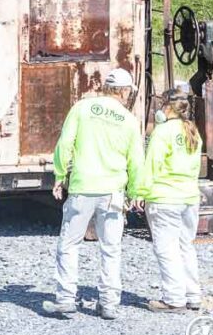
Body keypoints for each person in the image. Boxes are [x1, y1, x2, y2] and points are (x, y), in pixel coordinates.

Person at [43, 67, 144, 320]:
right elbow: (136, 162)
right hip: (113, 192)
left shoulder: (82, 108)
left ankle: (66, 299)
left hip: (82, 187)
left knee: (69, 243)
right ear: (124, 91)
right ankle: (108, 303)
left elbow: (65, 143)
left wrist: (59, 175)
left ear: (106, 88)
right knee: (111, 248)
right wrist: (135, 192)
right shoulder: (130, 121)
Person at [138, 90, 203, 313]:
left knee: (166, 249)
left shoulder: (162, 132)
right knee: (186, 246)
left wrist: (141, 192)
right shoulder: (193, 132)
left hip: (165, 197)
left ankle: (174, 298)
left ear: (166, 106)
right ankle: (193, 295)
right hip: (189, 196)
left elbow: (151, 165)